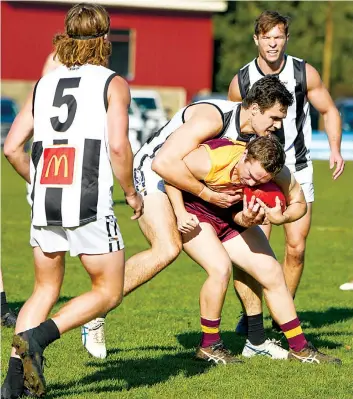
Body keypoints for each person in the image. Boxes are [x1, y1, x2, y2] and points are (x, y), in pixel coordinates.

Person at [81, 75, 294, 356]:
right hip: (154, 173)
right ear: (254, 108)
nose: (277, 126)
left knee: (252, 244)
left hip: (197, 182)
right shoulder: (213, 119)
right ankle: (95, 312)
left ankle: (255, 340)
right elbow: (164, 163)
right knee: (167, 248)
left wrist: (277, 211)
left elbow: (285, 185)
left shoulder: (259, 138)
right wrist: (208, 196)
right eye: (274, 118)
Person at [1, 3, 143, 398]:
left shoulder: (43, 83)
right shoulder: (112, 83)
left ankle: (12, 386)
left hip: (46, 197)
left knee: (43, 290)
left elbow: (12, 148)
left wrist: (39, 182)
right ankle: (40, 340)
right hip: (89, 197)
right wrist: (131, 192)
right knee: (108, 291)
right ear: (105, 38)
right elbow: (117, 145)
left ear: (65, 36)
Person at [165, 135, 341, 364]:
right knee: (220, 268)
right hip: (195, 212)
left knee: (272, 272)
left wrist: (281, 217)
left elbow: (299, 202)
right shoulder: (211, 159)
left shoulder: (277, 172)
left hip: (230, 217)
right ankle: (208, 345)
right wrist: (179, 212)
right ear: (246, 155)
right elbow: (169, 173)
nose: (250, 184)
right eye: (249, 175)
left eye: (259, 181)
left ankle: (300, 348)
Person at [228, 10, 345, 334]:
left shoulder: (303, 72)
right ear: (257, 40)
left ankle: (282, 315)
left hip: (298, 167)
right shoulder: (241, 80)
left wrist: (334, 148)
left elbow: (329, 109)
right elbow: (231, 125)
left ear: (286, 39)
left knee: (296, 247)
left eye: (278, 37)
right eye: (267, 38)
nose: (273, 44)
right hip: (257, 171)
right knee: (253, 245)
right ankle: (250, 317)